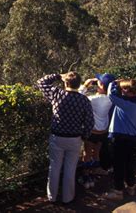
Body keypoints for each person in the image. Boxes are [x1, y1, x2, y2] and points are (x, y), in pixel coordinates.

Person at [37, 72, 94, 204]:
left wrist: (57, 75)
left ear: (65, 82)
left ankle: (52, 196)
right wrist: (84, 136)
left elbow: (41, 82)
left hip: (57, 137)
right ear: (79, 83)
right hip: (75, 139)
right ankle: (68, 197)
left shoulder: (57, 94)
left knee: (54, 167)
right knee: (70, 168)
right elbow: (90, 122)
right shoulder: (84, 100)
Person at [104, 79, 136, 200]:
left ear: (127, 90)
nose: (121, 90)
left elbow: (111, 95)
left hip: (120, 137)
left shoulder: (125, 102)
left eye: (122, 88)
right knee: (129, 163)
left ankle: (118, 191)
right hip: (133, 137)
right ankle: (131, 187)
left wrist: (114, 83)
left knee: (118, 165)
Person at [79, 73, 115, 188]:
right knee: (97, 153)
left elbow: (77, 95)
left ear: (100, 84)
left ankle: (86, 177)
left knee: (87, 154)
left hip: (92, 131)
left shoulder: (93, 99)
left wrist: (85, 85)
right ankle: (94, 172)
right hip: (103, 131)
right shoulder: (111, 99)